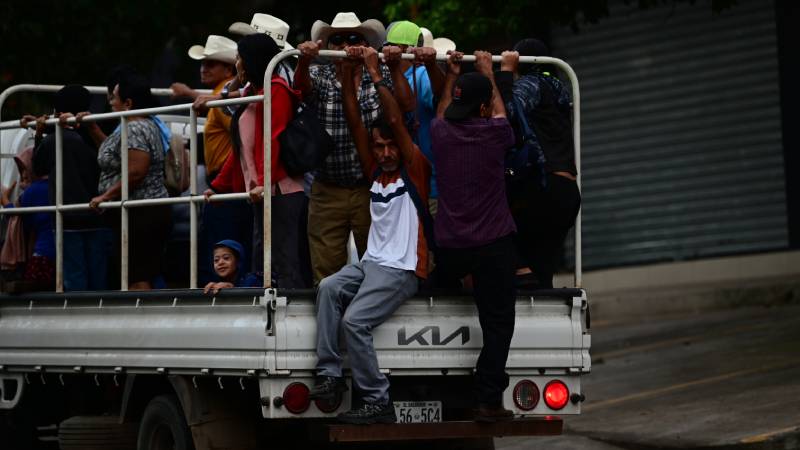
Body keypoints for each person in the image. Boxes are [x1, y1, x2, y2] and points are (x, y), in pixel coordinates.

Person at [309, 46, 431, 424]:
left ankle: (378, 400)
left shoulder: (415, 168)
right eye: (378, 147)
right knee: (328, 287)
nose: (383, 152)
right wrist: (348, 73)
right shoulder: (376, 173)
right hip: (372, 263)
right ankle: (329, 375)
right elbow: (354, 119)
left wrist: (376, 72)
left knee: (354, 322)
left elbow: (395, 119)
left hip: (401, 268)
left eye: (389, 144)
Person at [295, 12, 415, 284]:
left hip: (371, 187)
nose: (346, 45)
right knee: (325, 274)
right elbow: (300, 88)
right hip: (328, 187)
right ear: (329, 45)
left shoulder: (380, 71)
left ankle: (366, 318)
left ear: (365, 43)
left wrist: (394, 66)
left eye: (353, 38)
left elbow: (408, 106)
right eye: (337, 40)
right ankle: (333, 322)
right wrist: (304, 60)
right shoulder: (319, 73)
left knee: (378, 265)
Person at [430, 51, 518, 422]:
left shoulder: (441, 133)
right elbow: (500, 114)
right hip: (492, 245)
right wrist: (489, 72)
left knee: (438, 287)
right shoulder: (496, 133)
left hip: (451, 248)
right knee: (497, 322)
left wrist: (451, 75)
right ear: (482, 109)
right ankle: (486, 399)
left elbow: (439, 114)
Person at [205, 33, 311, 288]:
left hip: (280, 190)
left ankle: (287, 320)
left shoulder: (276, 90)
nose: (237, 64)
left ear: (251, 60)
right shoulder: (255, 92)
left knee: (283, 261)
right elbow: (242, 148)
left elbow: (272, 139)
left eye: (239, 58)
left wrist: (263, 183)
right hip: (263, 191)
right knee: (263, 258)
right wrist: (219, 185)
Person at [495, 39, 581, 289]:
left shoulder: (530, 84)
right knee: (541, 268)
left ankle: (521, 273)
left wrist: (505, 74)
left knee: (490, 225)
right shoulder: (560, 88)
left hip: (545, 187)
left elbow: (509, 114)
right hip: (567, 190)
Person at [87, 74, 172, 291]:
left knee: (137, 274)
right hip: (145, 210)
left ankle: (143, 320)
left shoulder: (134, 127)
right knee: (141, 271)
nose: (110, 101)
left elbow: (136, 171)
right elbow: (114, 154)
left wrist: (106, 196)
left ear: (128, 103)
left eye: (114, 97)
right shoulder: (146, 124)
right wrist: (92, 128)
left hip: (140, 211)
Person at [34, 85, 111, 291]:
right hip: (97, 214)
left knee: (74, 275)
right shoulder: (95, 134)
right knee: (99, 274)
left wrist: (39, 134)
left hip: (67, 217)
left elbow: (37, 167)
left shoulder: (55, 140)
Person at [382, 20, 444, 214]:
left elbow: (442, 100)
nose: (383, 51)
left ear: (400, 48)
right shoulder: (391, 77)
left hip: (430, 186)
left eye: (386, 46)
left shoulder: (422, 76)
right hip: (404, 184)